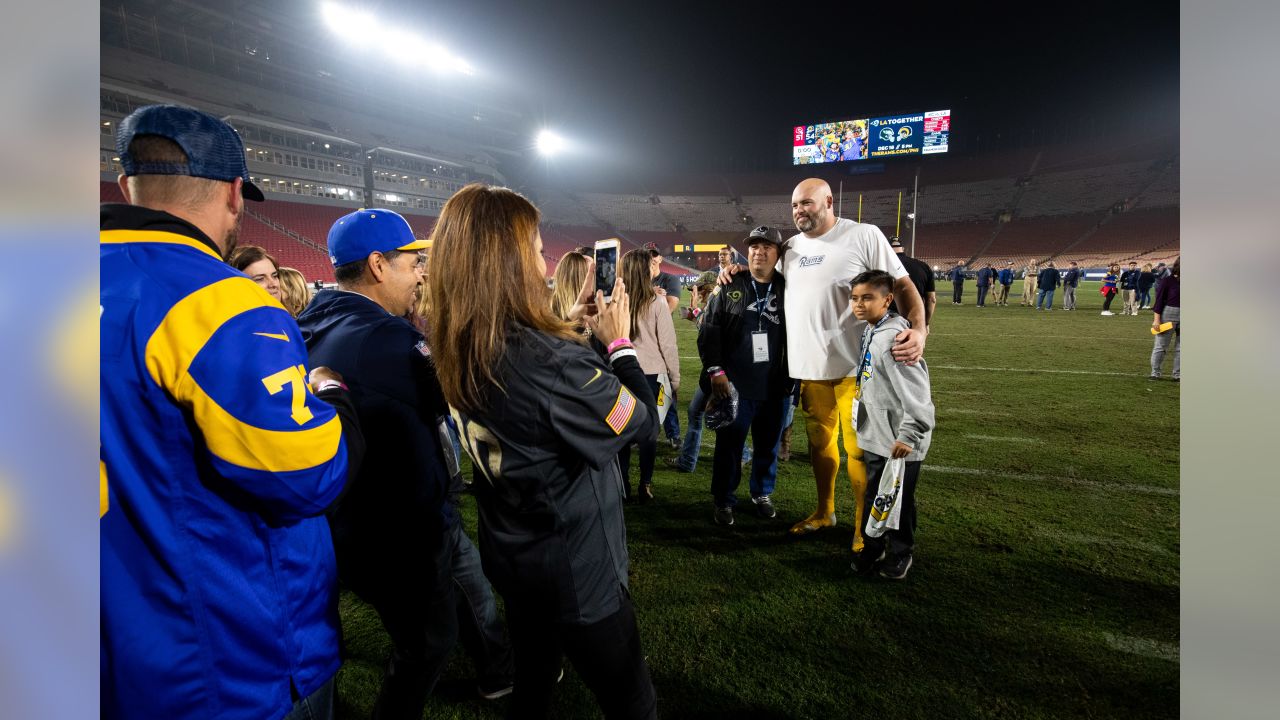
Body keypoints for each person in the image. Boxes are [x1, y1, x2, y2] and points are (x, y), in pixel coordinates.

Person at [101, 104, 363, 720]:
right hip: (220, 658)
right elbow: (306, 474)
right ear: (234, 192)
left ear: (125, 186)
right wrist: (334, 397)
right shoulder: (214, 301)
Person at [424, 183, 659, 720]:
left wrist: (569, 330)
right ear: (505, 261)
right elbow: (640, 423)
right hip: (575, 569)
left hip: (511, 553)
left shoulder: (456, 337)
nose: (542, 259)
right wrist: (619, 344)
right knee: (632, 701)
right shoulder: (550, 362)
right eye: (533, 247)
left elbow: (534, 389)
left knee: (533, 683)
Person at [297, 208, 458, 719]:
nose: (421, 274)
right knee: (430, 640)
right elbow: (450, 400)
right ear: (377, 265)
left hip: (344, 519)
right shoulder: (388, 339)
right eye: (412, 262)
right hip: (397, 529)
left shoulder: (306, 321)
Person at [725, 178, 925, 553]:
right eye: (795, 206)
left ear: (829, 201)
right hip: (809, 372)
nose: (800, 211)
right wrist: (733, 271)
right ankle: (825, 512)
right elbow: (761, 273)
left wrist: (920, 329)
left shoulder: (863, 235)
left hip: (855, 370)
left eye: (807, 203)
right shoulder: (790, 249)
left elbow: (902, 284)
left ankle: (864, 528)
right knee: (820, 447)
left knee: (860, 452)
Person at [698, 226, 789, 525]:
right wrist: (716, 371)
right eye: (753, 247)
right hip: (735, 384)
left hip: (775, 385)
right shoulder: (729, 284)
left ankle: (762, 492)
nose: (758, 252)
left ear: (778, 254)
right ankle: (723, 499)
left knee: (768, 446)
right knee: (729, 447)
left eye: (766, 247)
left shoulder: (790, 286)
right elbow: (709, 329)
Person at [847, 270, 934, 580]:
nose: (858, 305)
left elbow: (918, 397)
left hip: (899, 441)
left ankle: (900, 553)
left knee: (900, 501)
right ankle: (873, 546)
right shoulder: (872, 330)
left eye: (867, 298)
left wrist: (909, 435)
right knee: (876, 496)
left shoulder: (894, 339)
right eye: (855, 298)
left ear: (888, 300)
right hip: (877, 434)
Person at [617, 248, 680, 501]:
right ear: (644, 269)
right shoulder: (656, 301)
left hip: (621, 373)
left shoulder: (616, 300)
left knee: (621, 433)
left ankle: (623, 485)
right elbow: (668, 344)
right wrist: (675, 378)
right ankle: (645, 484)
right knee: (649, 434)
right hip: (653, 376)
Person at [645, 242, 683, 447]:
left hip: (660, 342)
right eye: (648, 254)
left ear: (660, 258)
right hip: (639, 344)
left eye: (655, 254)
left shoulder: (669, 279)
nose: (651, 257)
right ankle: (641, 432)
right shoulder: (636, 280)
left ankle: (673, 433)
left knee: (665, 393)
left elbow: (668, 308)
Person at [889, 237, 936, 327]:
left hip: (888, 321)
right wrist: (925, 323)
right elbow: (932, 299)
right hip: (916, 321)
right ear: (903, 249)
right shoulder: (923, 266)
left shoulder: (881, 266)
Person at [1150, 257, 1180, 381]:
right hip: (1169, 314)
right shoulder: (1168, 281)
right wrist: (1156, 320)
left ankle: (1177, 375)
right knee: (1161, 346)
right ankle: (1155, 373)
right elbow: (1159, 301)